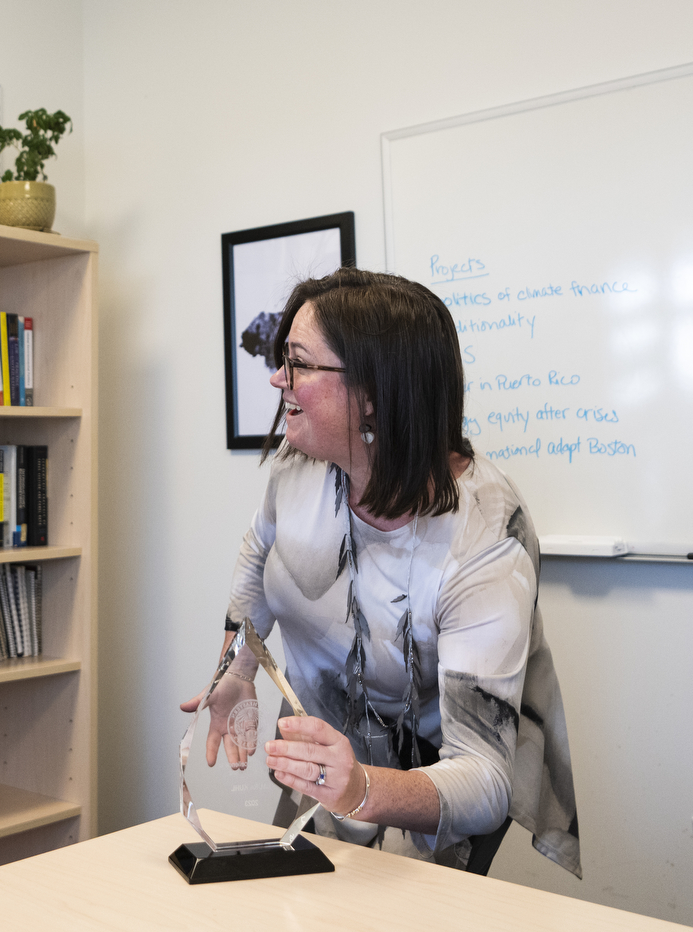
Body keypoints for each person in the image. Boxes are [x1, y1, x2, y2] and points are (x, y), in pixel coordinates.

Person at [181, 267, 580, 876]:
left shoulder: (484, 538)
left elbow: (483, 777)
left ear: (374, 393)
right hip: (327, 753)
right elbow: (258, 555)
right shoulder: (301, 470)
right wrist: (234, 672)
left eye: (299, 364)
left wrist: (362, 788)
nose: (276, 379)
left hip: (438, 778)